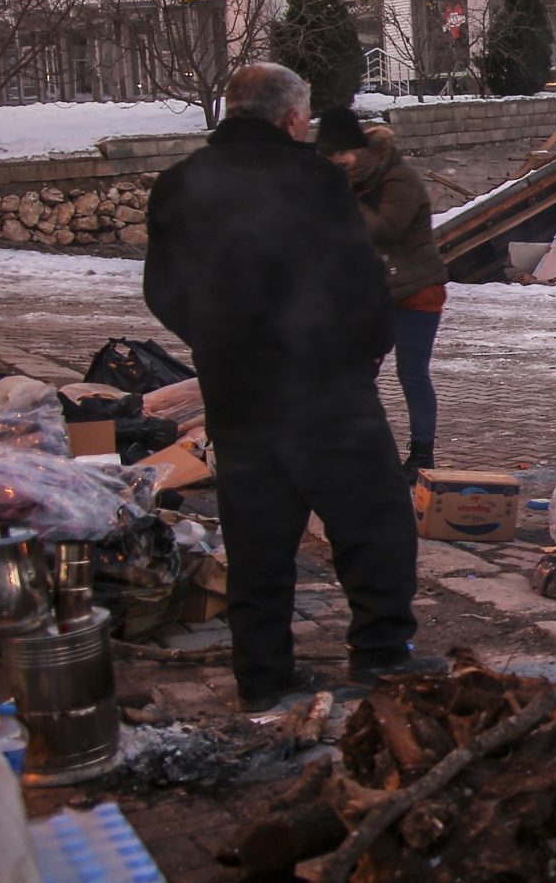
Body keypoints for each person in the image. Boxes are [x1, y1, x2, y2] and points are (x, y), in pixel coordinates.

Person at [143, 63, 437, 713]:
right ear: (294, 119)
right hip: (324, 385)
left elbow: (161, 291)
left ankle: (264, 675)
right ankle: (383, 654)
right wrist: (364, 352)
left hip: (236, 391)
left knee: (257, 538)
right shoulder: (314, 182)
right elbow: (360, 279)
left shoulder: (179, 182)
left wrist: (215, 340)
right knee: (374, 519)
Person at [317, 107, 446, 472]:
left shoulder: (398, 179)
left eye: (339, 155)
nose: (336, 162)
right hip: (377, 292)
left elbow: (387, 229)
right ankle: (353, 447)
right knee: (356, 369)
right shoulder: (358, 183)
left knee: (412, 371)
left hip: (417, 290)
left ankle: (422, 454)